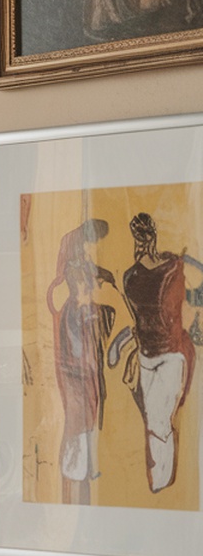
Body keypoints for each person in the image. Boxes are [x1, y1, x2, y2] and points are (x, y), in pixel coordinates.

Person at [108, 211, 203, 492]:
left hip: (172, 356)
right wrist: (121, 344)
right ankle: (159, 480)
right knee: (152, 420)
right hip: (145, 356)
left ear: (150, 236)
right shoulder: (131, 277)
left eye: (144, 236)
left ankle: (161, 482)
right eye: (138, 237)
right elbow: (138, 323)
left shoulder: (174, 266)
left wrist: (196, 316)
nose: (142, 242)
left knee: (160, 421)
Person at [46, 219, 117, 498]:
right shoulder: (73, 262)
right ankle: (74, 468)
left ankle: (81, 467)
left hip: (82, 352)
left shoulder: (79, 260)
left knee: (89, 407)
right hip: (76, 358)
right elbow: (78, 281)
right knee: (79, 412)